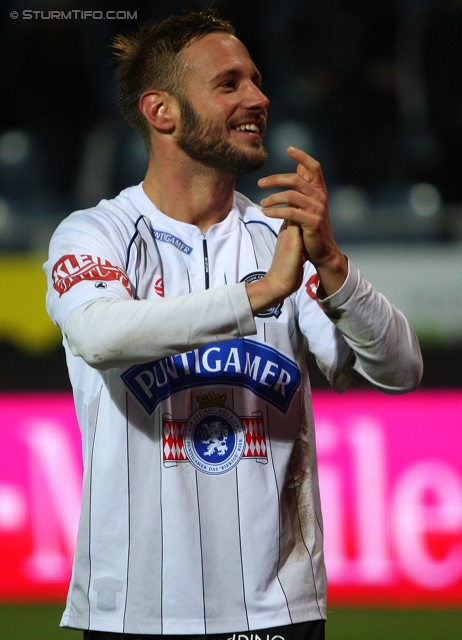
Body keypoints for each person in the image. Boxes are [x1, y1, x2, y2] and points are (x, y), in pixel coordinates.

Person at [44, 9, 423, 640]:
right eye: (229, 84)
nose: (259, 97)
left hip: (276, 609)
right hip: (132, 610)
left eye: (256, 79)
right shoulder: (95, 234)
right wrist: (259, 294)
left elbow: (400, 370)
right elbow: (97, 335)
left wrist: (332, 264)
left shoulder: (283, 239)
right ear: (161, 111)